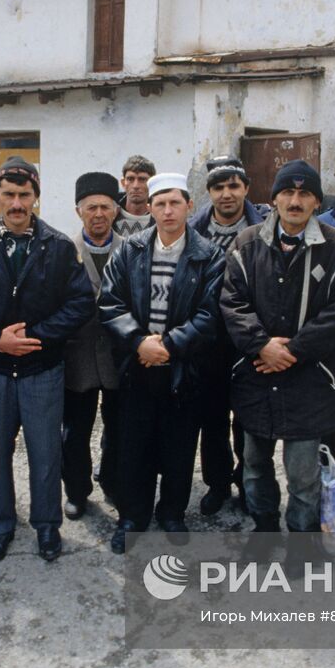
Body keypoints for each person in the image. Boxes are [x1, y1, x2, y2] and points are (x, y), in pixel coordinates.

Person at [0, 157, 96, 564]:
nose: (16, 202)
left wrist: (36, 337)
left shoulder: (59, 246)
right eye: (8, 194)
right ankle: (0, 526)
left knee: (45, 452)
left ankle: (47, 528)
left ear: (36, 198)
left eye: (24, 195)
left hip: (42, 369)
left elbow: (81, 302)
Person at [221, 161, 335, 532]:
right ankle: (264, 527)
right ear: (274, 198)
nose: (295, 201)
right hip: (256, 375)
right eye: (287, 192)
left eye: (304, 194)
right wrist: (261, 346)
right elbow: (232, 304)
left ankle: (302, 538)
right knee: (253, 465)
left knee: (304, 475)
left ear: (317, 201)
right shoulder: (246, 244)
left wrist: (292, 351)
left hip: (311, 381)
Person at [99, 173, 226, 553]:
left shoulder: (209, 254)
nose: (167, 211)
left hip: (182, 369)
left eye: (175, 203)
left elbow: (210, 314)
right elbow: (110, 303)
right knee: (132, 445)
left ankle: (172, 512)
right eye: (160, 204)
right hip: (137, 367)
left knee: (178, 445)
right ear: (149, 208)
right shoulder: (130, 250)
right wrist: (138, 342)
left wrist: (169, 346)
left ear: (189, 205)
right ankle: (131, 517)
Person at [188, 156, 268, 514]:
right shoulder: (194, 231)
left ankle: (247, 481)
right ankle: (218, 483)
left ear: (246, 189)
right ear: (208, 193)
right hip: (208, 340)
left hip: (250, 336)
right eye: (218, 187)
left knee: (249, 417)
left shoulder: (266, 228)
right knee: (212, 417)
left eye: (233, 186)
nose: (226, 194)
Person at [62, 172, 125, 518]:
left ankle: (114, 483)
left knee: (118, 428)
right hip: (78, 357)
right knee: (74, 431)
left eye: (104, 207)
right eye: (91, 208)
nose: (98, 214)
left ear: (115, 211)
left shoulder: (130, 250)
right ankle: (76, 490)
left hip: (117, 358)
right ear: (78, 211)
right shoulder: (63, 251)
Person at [114, 155, 156, 237]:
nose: (136, 186)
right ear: (123, 182)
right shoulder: (110, 214)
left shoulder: (160, 216)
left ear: (152, 183)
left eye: (142, 179)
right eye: (130, 179)